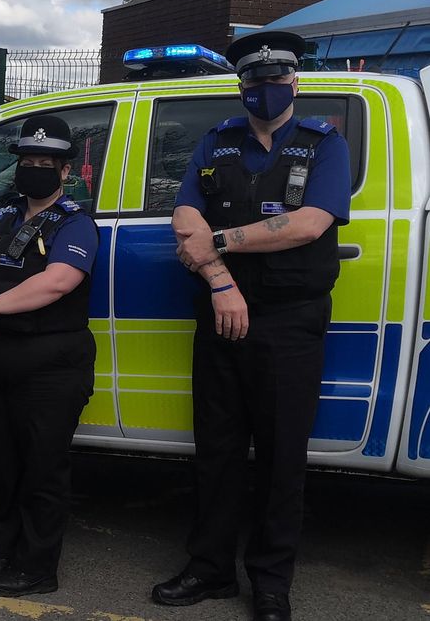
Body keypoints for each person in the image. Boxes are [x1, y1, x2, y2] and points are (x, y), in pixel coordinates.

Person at [153, 31, 351, 621]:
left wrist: (215, 244)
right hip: (220, 314)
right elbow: (183, 214)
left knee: (280, 457)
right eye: (254, 81)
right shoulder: (215, 143)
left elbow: (308, 224)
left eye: (274, 80)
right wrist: (221, 282)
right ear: (240, 86)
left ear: (295, 82)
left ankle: (270, 584)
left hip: (290, 324)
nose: (264, 90)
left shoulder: (324, 145)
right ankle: (209, 568)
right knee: (215, 450)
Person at [0, 115, 99, 598]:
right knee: (5, 465)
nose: (35, 170)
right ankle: (4, 551)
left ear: (64, 171)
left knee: (43, 468)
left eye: (46, 163)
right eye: (28, 161)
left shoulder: (75, 222)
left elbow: (60, 281)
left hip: (49, 365)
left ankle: (37, 566)